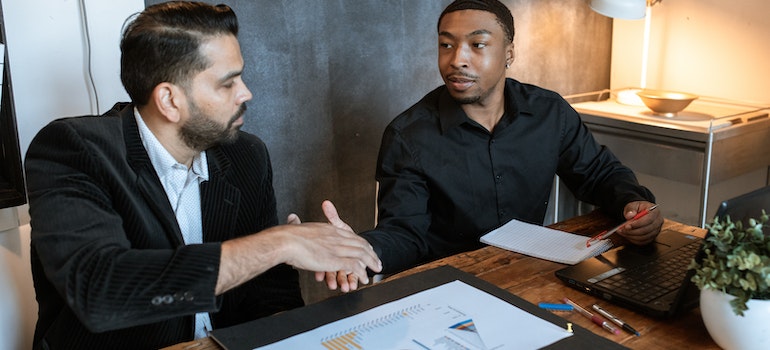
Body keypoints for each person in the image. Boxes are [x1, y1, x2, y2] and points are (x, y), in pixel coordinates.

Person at [24, 2, 381, 349]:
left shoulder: (246, 154)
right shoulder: (74, 150)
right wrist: (280, 242)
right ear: (169, 101)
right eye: (228, 83)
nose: (246, 93)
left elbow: (269, 292)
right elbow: (101, 289)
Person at [324, 0, 662, 290]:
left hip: (532, 276)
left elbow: (599, 174)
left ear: (509, 53)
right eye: (446, 45)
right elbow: (404, 232)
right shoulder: (408, 134)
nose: (457, 59)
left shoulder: (549, 112)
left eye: (477, 44)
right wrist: (361, 249)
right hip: (448, 286)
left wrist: (634, 203)